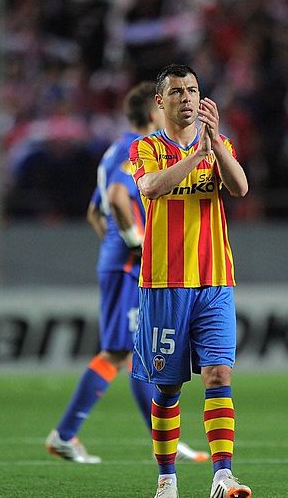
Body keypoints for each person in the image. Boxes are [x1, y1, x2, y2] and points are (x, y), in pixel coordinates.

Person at [46, 81, 207, 463]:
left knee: (136, 353)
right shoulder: (133, 151)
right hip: (127, 265)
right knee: (119, 351)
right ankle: (64, 433)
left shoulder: (112, 151)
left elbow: (93, 212)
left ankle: (163, 440)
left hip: (119, 263)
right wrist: (133, 245)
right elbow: (118, 199)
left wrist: (113, 246)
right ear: (153, 113)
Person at [130, 64, 251, 498]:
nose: (186, 97)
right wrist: (196, 156)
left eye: (193, 90)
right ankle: (167, 479)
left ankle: (223, 475)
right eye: (177, 91)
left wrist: (215, 146)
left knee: (219, 374)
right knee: (166, 388)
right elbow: (151, 188)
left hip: (215, 279)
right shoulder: (144, 147)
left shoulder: (218, 146)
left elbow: (240, 188)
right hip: (164, 285)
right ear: (160, 101)